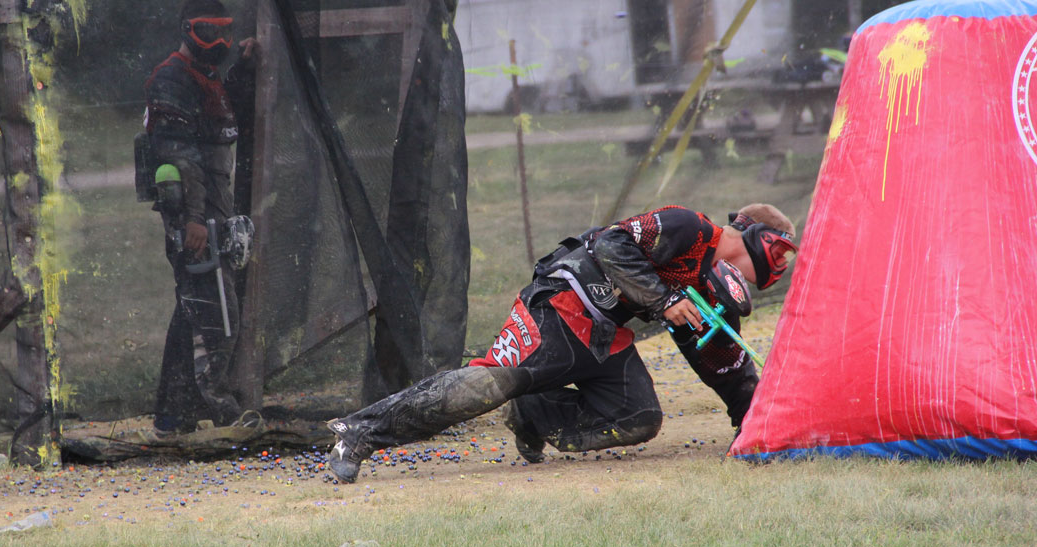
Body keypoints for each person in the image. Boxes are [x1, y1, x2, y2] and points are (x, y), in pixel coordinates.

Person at [327, 203, 797, 482]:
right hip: (560, 304)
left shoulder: (707, 290)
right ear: (756, 234)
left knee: (637, 417)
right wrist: (663, 299)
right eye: (779, 252)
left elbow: (726, 367)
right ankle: (359, 431)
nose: (778, 267)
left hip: (605, 336)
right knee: (485, 386)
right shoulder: (689, 227)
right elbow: (611, 245)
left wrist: (756, 432)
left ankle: (532, 413)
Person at [144, 0, 258, 436]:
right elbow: (182, 156)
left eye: (225, 32)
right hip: (193, 217)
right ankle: (223, 410)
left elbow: (226, 119)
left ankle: (174, 416)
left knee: (193, 311)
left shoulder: (206, 79)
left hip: (213, 211)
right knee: (216, 313)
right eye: (209, 33)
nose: (220, 42)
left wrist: (242, 69)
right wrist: (192, 220)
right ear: (188, 31)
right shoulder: (171, 79)